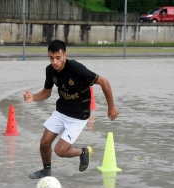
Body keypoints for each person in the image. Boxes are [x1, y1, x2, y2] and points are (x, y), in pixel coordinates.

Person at [24, 40, 119, 179]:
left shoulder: (76, 68)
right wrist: (33, 97)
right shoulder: (50, 70)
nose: (54, 62)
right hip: (61, 111)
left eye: (58, 58)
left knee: (60, 150)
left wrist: (111, 106)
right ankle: (46, 170)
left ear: (65, 55)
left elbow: (104, 82)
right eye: (51, 58)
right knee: (44, 142)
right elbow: (47, 92)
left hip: (78, 116)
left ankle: (83, 152)